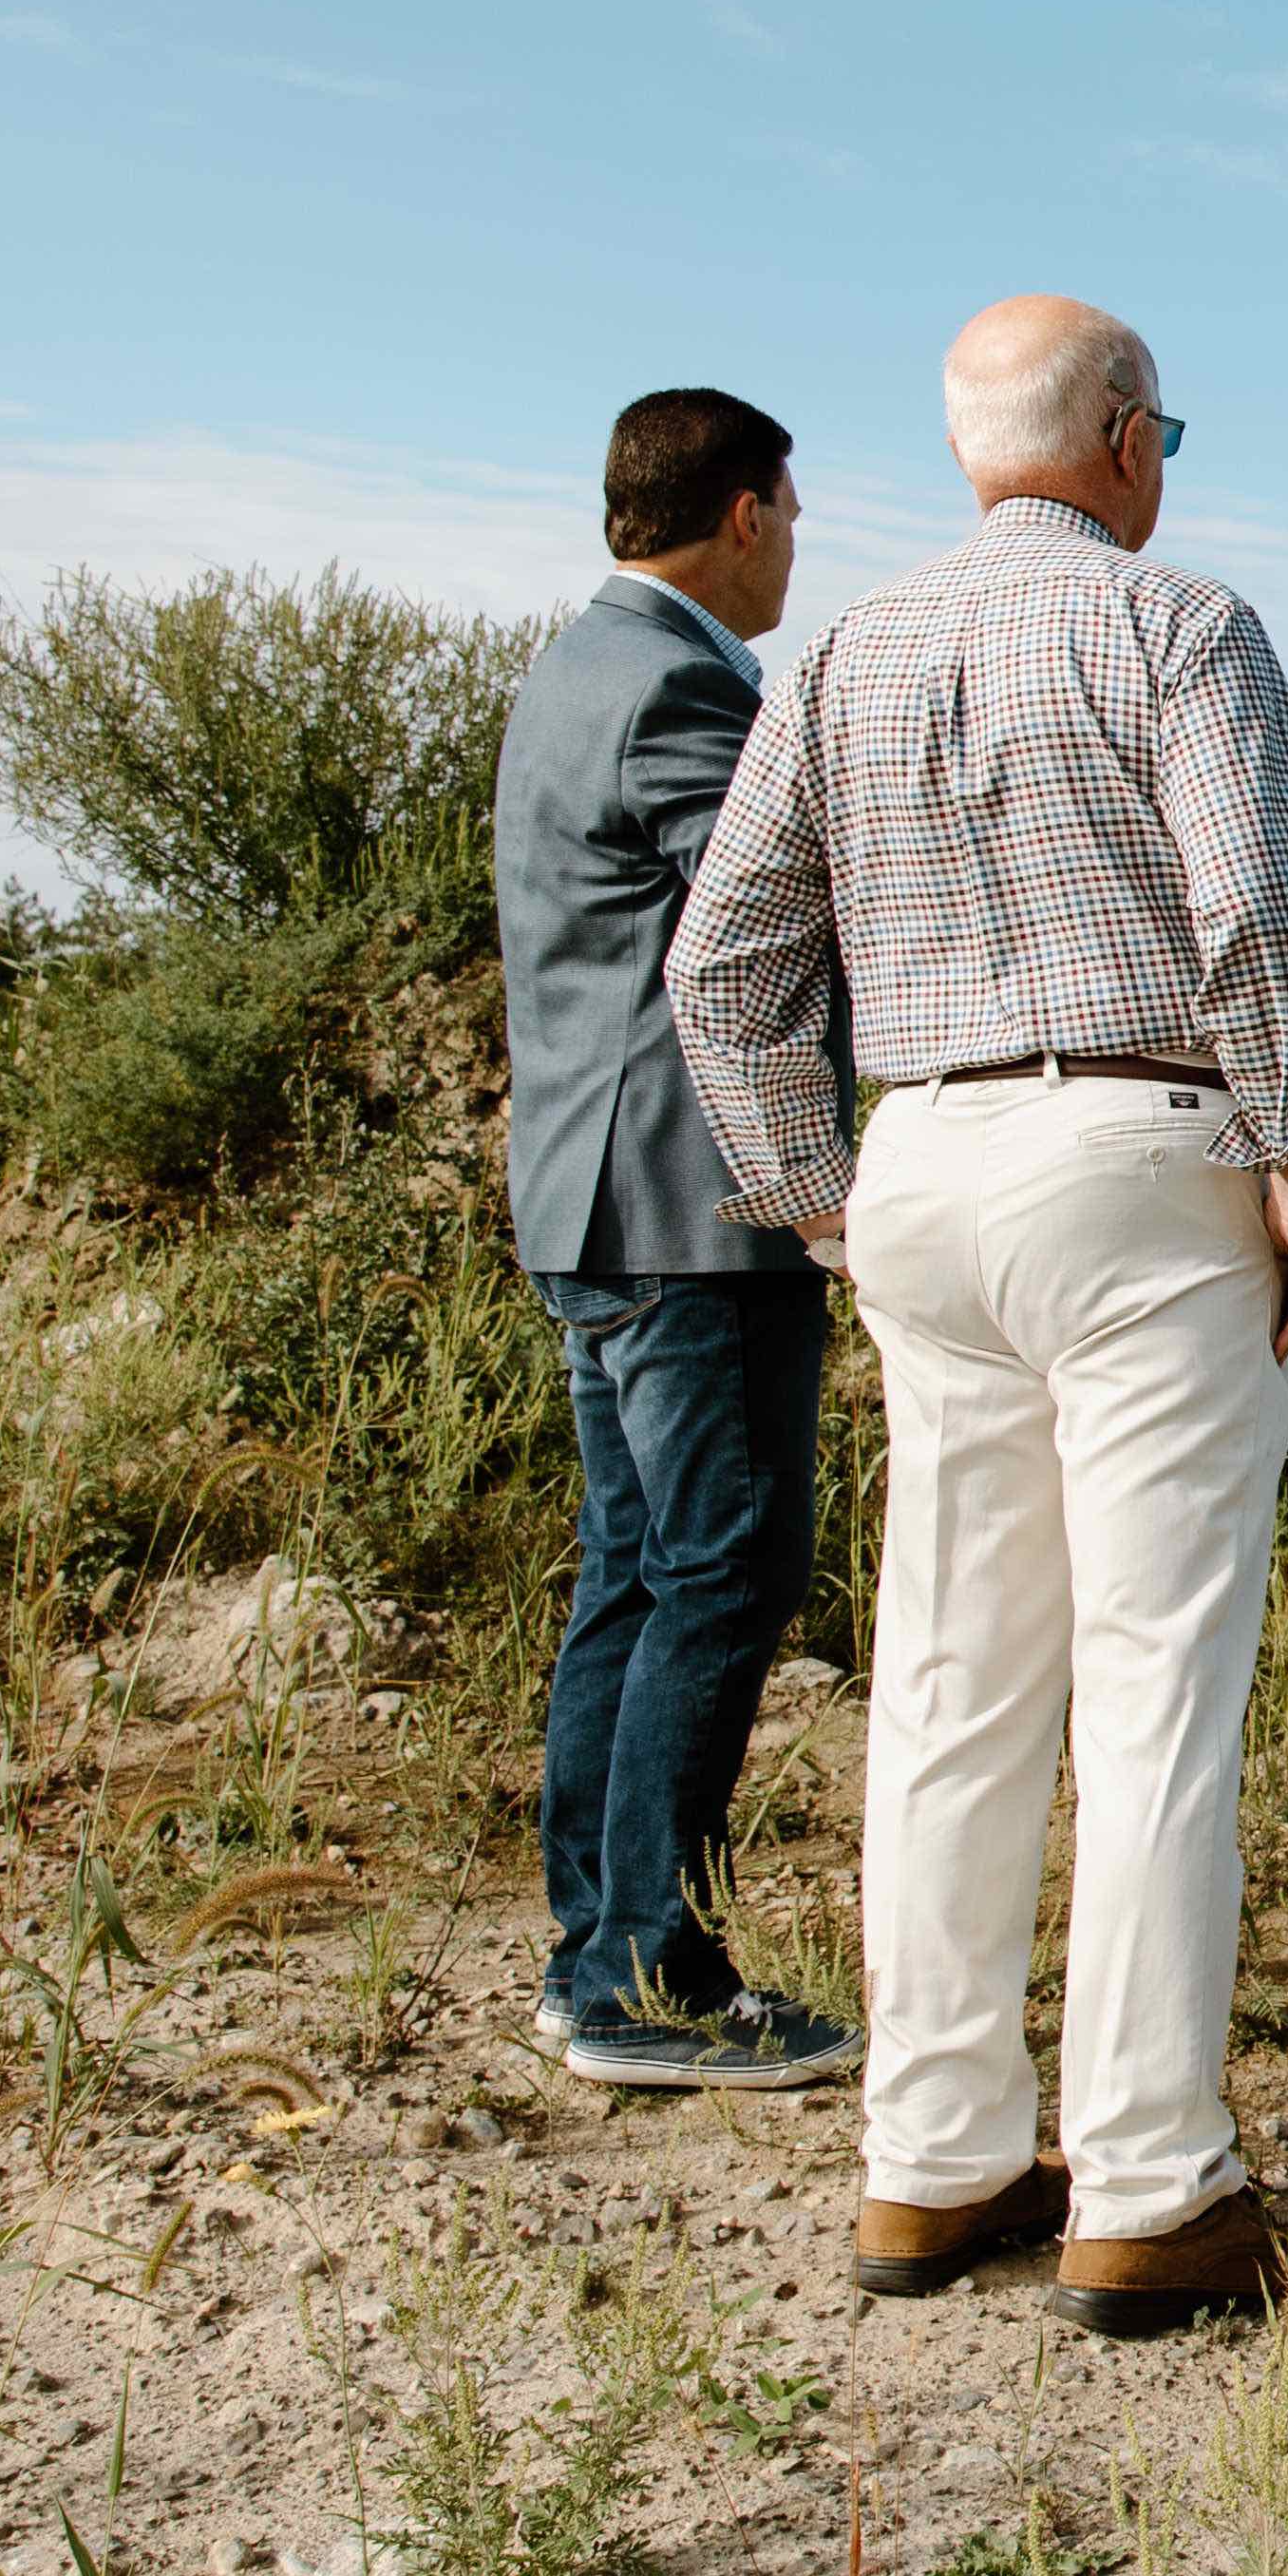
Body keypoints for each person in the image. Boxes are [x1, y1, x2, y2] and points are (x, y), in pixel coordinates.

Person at [669, 296, 1288, 2334]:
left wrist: (818, 1196)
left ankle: (934, 2158)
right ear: (1129, 440)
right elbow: (1252, 907)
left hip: (925, 1171)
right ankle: (1152, 2185)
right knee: (1155, 1684)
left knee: (953, 1678)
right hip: (1141, 1160)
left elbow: (724, 965)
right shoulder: (1186, 629)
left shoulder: (848, 652)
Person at [490, 387, 865, 2095]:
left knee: (640, 1573)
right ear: (740, 511)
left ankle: (594, 1960)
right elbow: (763, 936)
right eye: (789, 510)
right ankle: (649, 1974)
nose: (795, 544)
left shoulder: (577, 668)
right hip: (691, 1209)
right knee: (725, 1568)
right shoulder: (684, 691)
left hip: (593, 1196)